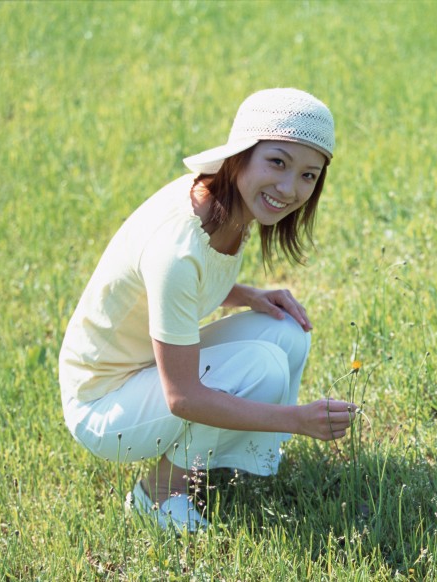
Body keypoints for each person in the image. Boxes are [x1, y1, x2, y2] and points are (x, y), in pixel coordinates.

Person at [59, 88, 356, 532]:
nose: (290, 188)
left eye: (309, 175)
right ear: (241, 154)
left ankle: (232, 452)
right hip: (103, 406)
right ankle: (158, 494)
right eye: (277, 162)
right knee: (263, 365)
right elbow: (183, 396)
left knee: (287, 333)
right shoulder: (177, 247)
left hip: (144, 372)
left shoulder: (219, 203)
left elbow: (189, 282)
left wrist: (249, 295)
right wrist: (297, 420)